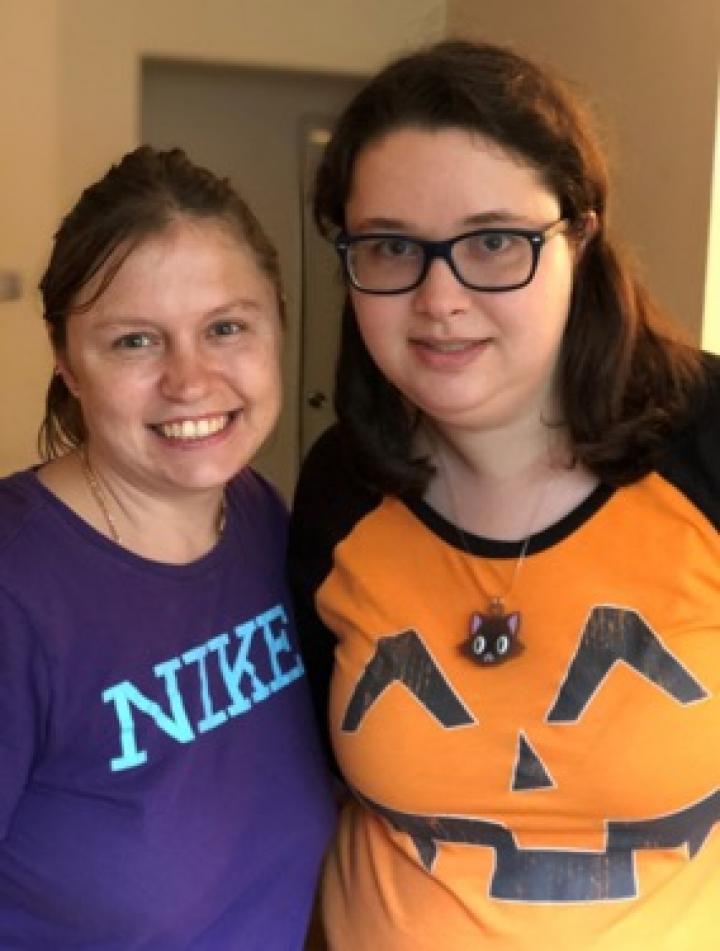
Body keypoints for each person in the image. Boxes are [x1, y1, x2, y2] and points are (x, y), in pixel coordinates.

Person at [288, 40, 720, 950]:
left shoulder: (707, 443)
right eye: (392, 245)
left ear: (581, 235)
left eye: (493, 241)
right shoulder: (339, 484)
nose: (439, 297)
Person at [0, 146, 335, 948]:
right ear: (67, 362)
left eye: (225, 327)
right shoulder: (17, 587)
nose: (191, 381)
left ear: (278, 322)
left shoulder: (257, 515)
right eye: (135, 342)